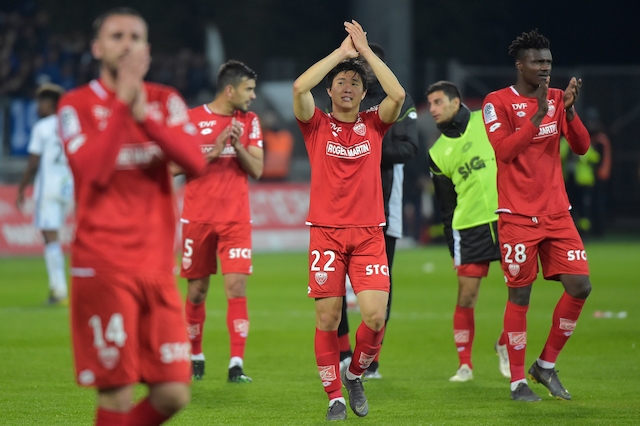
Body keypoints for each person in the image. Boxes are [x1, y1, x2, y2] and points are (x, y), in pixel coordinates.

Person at [57, 8, 207, 425]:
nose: (126, 44)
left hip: (157, 269)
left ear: (147, 49)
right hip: (104, 267)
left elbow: (195, 162)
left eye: (135, 37)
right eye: (117, 36)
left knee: (173, 392)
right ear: (97, 48)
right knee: (117, 394)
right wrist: (123, 105)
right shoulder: (76, 105)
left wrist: (145, 116)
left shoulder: (166, 100)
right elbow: (93, 173)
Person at [293, 20, 405, 420]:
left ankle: (355, 373)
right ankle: (335, 397)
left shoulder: (374, 124)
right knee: (329, 317)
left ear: (362, 91)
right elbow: (299, 88)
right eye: (341, 82)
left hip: (369, 234)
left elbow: (398, 94)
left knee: (375, 316)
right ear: (331, 89)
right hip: (325, 234)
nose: (347, 87)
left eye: (354, 83)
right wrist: (342, 54)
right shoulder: (315, 125)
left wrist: (366, 53)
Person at [482, 29, 592, 402]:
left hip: (557, 213)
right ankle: (517, 382)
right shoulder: (496, 102)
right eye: (538, 62)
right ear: (520, 65)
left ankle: (544, 365)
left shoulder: (559, 99)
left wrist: (570, 113)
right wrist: (538, 116)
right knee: (520, 296)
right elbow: (505, 152)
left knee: (581, 286)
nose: (545, 68)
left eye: (548, 62)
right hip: (516, 215)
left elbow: (581, 147)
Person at [336, 42, 419, 380]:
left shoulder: (398, 100)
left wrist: (362, 145)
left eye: (369, 62)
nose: (363, 69)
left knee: (382, 285)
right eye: (358, 62)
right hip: (339, 205)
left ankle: (371, 360)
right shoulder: (342, 96)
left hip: (385, 204)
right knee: (334, 284)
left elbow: (408, 148)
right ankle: (342, 353)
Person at [179, 60, 263, 383]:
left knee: (236, 288)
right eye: (249, 89)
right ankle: (195, 355)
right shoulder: (190, 120)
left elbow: (256, 169)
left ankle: (236, 364)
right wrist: (211, 153)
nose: (253, 96)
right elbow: (172, 167)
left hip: (235, 220)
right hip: (197, 219)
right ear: (230, 90)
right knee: (197, 291)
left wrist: (237, 146)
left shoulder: (249, 121)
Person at [425, 81, 510, 382]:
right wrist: (452, 249)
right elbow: (446, 207)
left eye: (437, 102)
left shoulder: (485, 121)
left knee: (520, 289)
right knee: (466, 297)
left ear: (455, 101)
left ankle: (505, 343)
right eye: (430, 104)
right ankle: (465, 365)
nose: (432, 109)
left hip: (507, 219)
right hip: (468, 228)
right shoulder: (437, 152)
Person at [16, 83, 72, 306]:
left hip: (48, 189)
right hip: (69, 187)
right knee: (60, 237)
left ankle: (59, 290)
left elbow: (33, 162)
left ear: (51, 104)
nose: (38, 106)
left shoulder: (43, 127)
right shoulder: (70, 125)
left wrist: (21, 189)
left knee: (50, 238)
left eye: (41, 102)